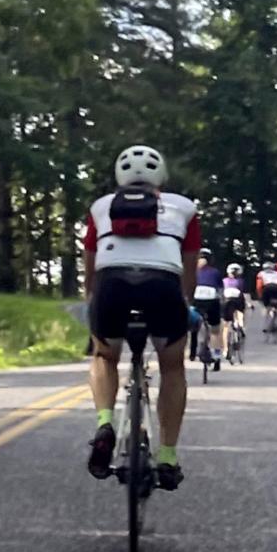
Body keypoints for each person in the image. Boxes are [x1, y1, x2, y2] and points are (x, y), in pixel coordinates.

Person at [83, 144, 198, 490]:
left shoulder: (100, 207)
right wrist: (185, 305)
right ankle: (167, 456)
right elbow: (188, 269)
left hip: (111, 285)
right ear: (160, 176)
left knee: (104, 355)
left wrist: (93, 302)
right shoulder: (184, 208)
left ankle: (105, 422)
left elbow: (90, 265)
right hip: (162, 286)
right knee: (172, 366)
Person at [193, 248, 224, 371]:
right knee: (215, 330)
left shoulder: (192, 271)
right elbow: (221, 291)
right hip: (212, 299)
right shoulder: (215, 272)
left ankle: (192, 350)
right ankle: (217, 356)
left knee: (191, 325)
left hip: (196, 298)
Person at [221, 262, 247, 357]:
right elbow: (243, 294)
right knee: (241, 310)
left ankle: (225, 349)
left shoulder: (224, 281)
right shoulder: (240, 281)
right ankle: (241, 324)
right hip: (237, 298)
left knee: (226, 326)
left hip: (227, 299)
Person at [256, 261, 277, 331]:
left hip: (267, 288)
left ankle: (266, 326)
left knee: (266, 307)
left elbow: (259, 286)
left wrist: (260, 296)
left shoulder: (261, 274)